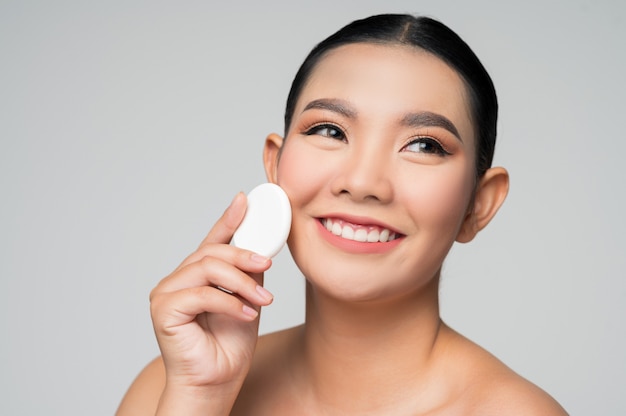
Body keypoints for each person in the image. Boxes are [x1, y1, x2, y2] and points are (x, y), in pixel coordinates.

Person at [117, 14, 568, 415]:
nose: (363, 182)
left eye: (424, 145)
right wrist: (200, 397)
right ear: (275, 165)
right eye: (330, 130)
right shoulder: (166, 390)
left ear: (479, 203)